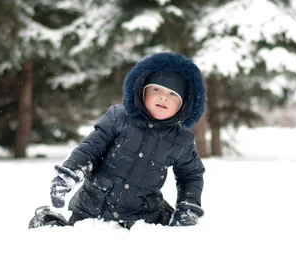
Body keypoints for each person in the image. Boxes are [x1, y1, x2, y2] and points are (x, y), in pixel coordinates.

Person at [42, 52, 206, 229]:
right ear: (142, 91)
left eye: (173, 94)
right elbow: (90, 149)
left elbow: (191, 175)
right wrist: (68, 175)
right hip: (92, 210)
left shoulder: (181, 140)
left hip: (140, 219)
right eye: (156, 89)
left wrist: (188, 206)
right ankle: (48, 222)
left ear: (184, 105)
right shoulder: (118, 118)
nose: (163, 97)